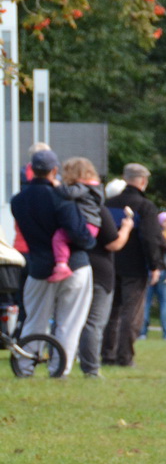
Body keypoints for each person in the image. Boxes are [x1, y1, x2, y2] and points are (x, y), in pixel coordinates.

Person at [8, 148, 95, 374]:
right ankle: (60, 369)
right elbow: (79, 234)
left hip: (38, 266)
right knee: (69, 322)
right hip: (75, 265)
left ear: (31, 170)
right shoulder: (61, 197)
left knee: (34, 319)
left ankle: (25, 366)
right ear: (54, 170)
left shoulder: (18, 201)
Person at [60, 158, 131, 378]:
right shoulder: (96, 207)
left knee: (66, 320)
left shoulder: (63, 202)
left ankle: (61, 364)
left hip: (68, 265)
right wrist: (127, 227)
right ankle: (91, 369)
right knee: (93, 322)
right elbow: (113, 243)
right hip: (99, 270)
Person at [102, 164, 165, 367]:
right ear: (143, 181)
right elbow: (150, 238)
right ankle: (125, 356)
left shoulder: (109, 204)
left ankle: (107, 354)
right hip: (135, 267)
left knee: (111, 312)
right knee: (132, 312)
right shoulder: (145, 206)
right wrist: (155, 265)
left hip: (110, 263)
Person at [141, 211, 166, 341]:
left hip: (148, 270)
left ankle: (142, 332)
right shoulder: (165, 236)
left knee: (145, 303)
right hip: (164, 271)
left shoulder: (146, 234)